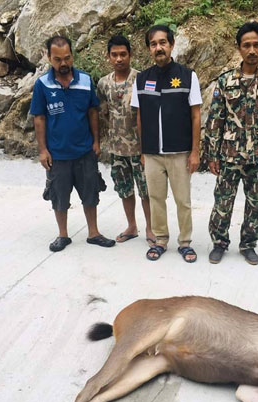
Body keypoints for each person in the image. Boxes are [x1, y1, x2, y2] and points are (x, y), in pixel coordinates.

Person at [205, 22, 258, 265]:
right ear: (239, 49)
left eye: (256, 45)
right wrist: (212, 155)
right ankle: (219, 243)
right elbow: (215, 119)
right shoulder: (225, 81)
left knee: (256, 205)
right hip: (229, 155)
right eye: (246, 45)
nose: (251, 50)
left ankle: (248, 245)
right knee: (223, 202)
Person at [30, 35, 115, 252]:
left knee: (90, 192)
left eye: (67, 58)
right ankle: (63, 235)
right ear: (49, 58)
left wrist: (96, 141)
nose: (64, 63)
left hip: (85, 150)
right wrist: (42, 150)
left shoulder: (85, 81)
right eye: (58, 59)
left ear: (72, 56)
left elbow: (92, 112)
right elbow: (39, 118)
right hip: (57, 154)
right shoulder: (42, 85)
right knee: (59, 196)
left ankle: (93, 233)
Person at [131, 25, 202, 263]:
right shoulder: (141, 79)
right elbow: (139, 117)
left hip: (180, 153)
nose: (158, 48)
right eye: (153, 44)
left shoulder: (187, 75)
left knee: (183, 200)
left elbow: (196, 115)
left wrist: (195, 152)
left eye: (163, 42)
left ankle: (185, 242)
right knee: (156, 199)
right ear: (149, 49)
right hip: (152, 153)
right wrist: (143, 151)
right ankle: (160, 240)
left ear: (171, 45)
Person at [97, 36, 155, 246]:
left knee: (146, 191)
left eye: (123, 54)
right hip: (116, 148)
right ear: (108, 56)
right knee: (124, 189)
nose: (119, 59)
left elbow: (148, 113)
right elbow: (103, 113)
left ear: (130, 55)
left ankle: (150, 227)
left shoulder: (141, 79)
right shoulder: (103, 83)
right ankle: (132, 226)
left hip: (140, 148)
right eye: (114, 55)